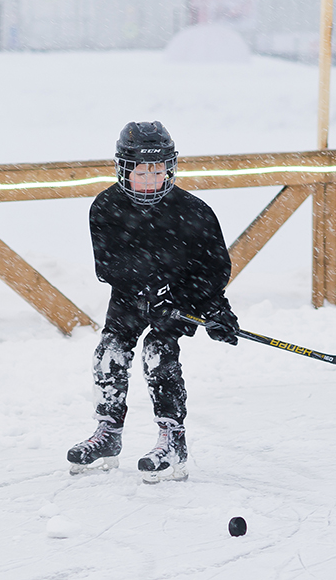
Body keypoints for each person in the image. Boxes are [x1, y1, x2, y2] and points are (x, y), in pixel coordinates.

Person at [67, 121, 239, 483]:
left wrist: (214, 309)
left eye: (158, 170)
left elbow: (213, 268)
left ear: (170, 169)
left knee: (158, 352)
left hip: (180, 297)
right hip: (130, 296)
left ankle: (172, 438)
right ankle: (108, 432)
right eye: (142, 171)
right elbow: (109, 266)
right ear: (124, 170)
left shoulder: (194, 212)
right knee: (110, 351)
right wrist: (147, 285)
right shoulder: (106, 207)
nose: (151, 179)